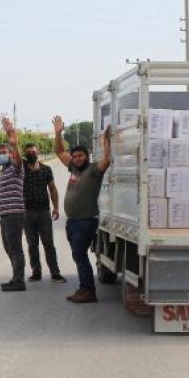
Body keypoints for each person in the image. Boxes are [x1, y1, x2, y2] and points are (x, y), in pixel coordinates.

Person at [53, 115, 111, 303]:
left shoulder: (94, 170)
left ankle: (89, 291)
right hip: (72, 222)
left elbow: (107, 159)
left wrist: (106, 140)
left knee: (79, 254)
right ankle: (84, 288)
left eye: (80, 156)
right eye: (75, 156)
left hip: (86, 221)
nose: (77, 159)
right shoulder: (73, 169)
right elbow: (59, 151)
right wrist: (58, 133)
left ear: (87, 156)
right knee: (78, 255)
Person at [22, 143, 66, 283]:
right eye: (28, 153)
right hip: (27, 213)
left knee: (48, 243)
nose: (31, 155)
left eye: (33, 152)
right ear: (25, 154)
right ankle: (36, 272)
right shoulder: (21, 169)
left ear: (38, 152)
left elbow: (52, 189)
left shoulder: (46, 169)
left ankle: (55, 273)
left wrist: (56, 208)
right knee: (32, 244)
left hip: (43, 213)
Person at [0, 116, 27, 292]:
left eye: (4, 152)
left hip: (14, 215)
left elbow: (20, 159)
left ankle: (19, 281)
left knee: (15, 248)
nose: (1, 155)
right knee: (9, 247)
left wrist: (13, 140)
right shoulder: (4, 171)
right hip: (5, 215)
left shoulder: (16, 168)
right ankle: (16, 276)